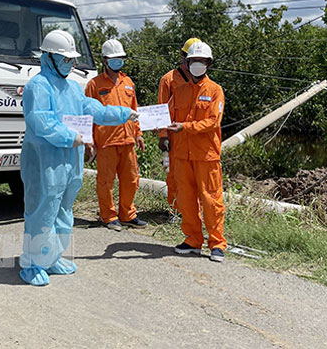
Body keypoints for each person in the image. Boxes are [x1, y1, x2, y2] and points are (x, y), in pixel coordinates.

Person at [19, 30, 138, 286]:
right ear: (48, 58)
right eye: (64, 59)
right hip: (44, 160)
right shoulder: (37, 86)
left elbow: (94, 110)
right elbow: (41, 121)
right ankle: (32, 263)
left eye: (71, 60)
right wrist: (69, 136)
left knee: (63, 209)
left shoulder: (72, 87)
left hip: (70, 161)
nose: (69, 64)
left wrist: (123, 113)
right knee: (42, 209)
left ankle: (52, 257)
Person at [165, 41, 227, 262]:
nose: (197, 65)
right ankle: (193, 239)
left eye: (201, 62)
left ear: (208, 64)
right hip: (182, 154)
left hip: (206, 155)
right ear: (186, 63)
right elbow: (167, 116)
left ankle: (217, 243)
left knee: (211, 199)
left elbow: (213, 121)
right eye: (193, 61)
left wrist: (185, 127)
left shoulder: (215, 91)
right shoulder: (179, 91)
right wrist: (156, 125)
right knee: (186, 199)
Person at [85, 39, 147, 231]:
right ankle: (109, 216)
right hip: (106, 142)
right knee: (105, 181)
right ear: (104, 60)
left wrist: (138, 133)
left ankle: (128, 214)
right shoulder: (94, 85)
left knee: (131, 179)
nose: (117, 62)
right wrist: (88, 141)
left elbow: (134, 110)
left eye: (120, 58)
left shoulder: (128, 82)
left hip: (128, 140)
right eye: (113, 59)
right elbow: (87, 114)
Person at [157, 37, 200, 219]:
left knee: (195, 176)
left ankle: (192, 211)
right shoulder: (169, 80)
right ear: (183, 57)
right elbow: (161, 110)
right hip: (175, 138)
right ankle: (174, 210)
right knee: (174, 176)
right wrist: (163, 135)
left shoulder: (202, 80)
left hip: (194, 136)